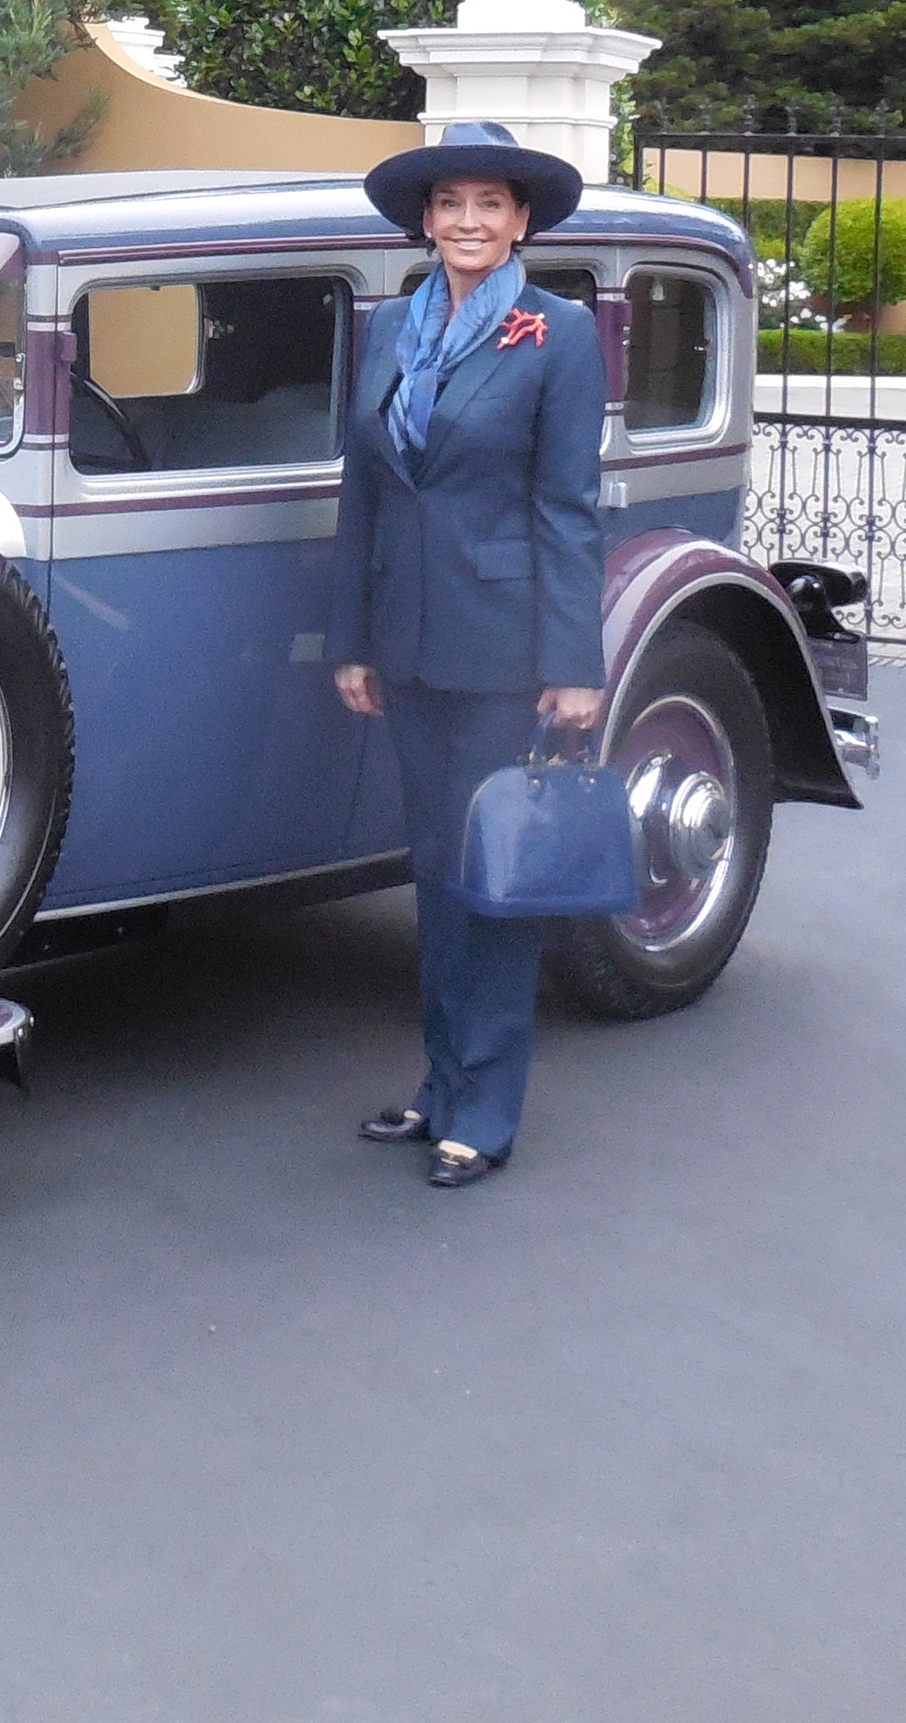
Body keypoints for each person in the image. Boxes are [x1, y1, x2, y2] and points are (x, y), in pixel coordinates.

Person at [329, 120, 607, 1189]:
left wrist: (574, 660)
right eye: (451, 204)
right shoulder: (392, 322)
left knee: (493, 876)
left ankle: (485, 1107)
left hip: (501, 647)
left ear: (521, 218)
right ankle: (441, 1082)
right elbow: (363, 484)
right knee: (435, 870)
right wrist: (351, 635)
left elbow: (567, 504)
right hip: (402, 639)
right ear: (425, 219)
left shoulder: (558, 331)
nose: (469, 222)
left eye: (490, 204)